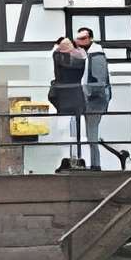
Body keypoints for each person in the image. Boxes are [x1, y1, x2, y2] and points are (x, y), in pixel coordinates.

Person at [50, 29, 112, 170]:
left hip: (94, 101)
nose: (79, 41)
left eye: (82, 38)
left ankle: (95, 164)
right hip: (87, 100)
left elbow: (99, 82)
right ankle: (91, 162)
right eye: (78, 38)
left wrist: (87, 93)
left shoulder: (96, 55)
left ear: (90, 38)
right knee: (88, 133)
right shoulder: (85, 55)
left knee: (91, 134)